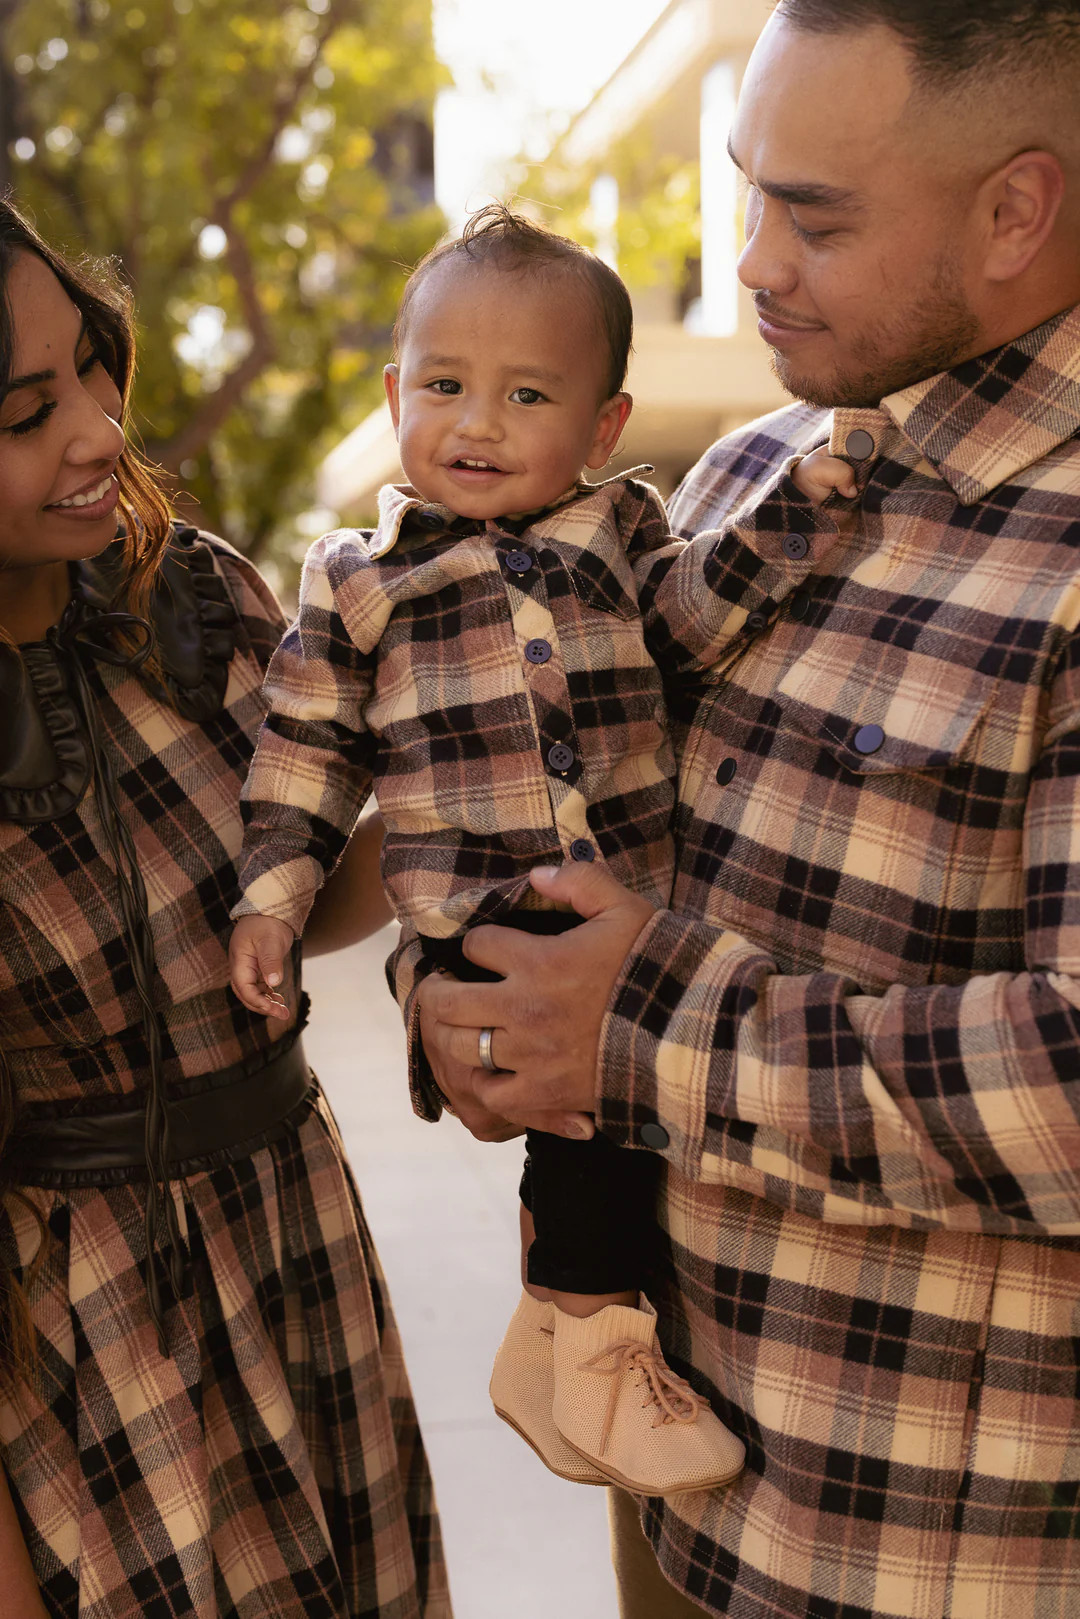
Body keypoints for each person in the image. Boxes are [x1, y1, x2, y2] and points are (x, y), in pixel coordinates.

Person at [414, 3, 1080, 1616]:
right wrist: (475, 998)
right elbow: (563, 817)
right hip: (676, 1491)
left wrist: (633, 1029)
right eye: (748, 190)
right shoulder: (729, 485)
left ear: (1015, 208)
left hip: (925, 1556)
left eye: (816, 215)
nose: (754, 259)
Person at [229, 204, 852, 1499]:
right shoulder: (360, 580)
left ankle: (559, 1339)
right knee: (596, 1105)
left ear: (604, 427)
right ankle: (596, 1340)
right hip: (479, 912)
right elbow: (304, 754)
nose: (477, 424)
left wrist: (797, 523)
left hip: (625, 894)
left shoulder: (621, 535)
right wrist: (271, 908)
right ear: (396, 391)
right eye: (445, 386)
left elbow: (694, 621)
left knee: (625, 1109)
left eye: (527, 395)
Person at [0, 196, 450, 1619]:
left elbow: (279, 904)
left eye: (88, 364)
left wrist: (468, 810)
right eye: (23, 411)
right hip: (83, 1328)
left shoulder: (191, 593)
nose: (92, 431)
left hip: (293, 1233)